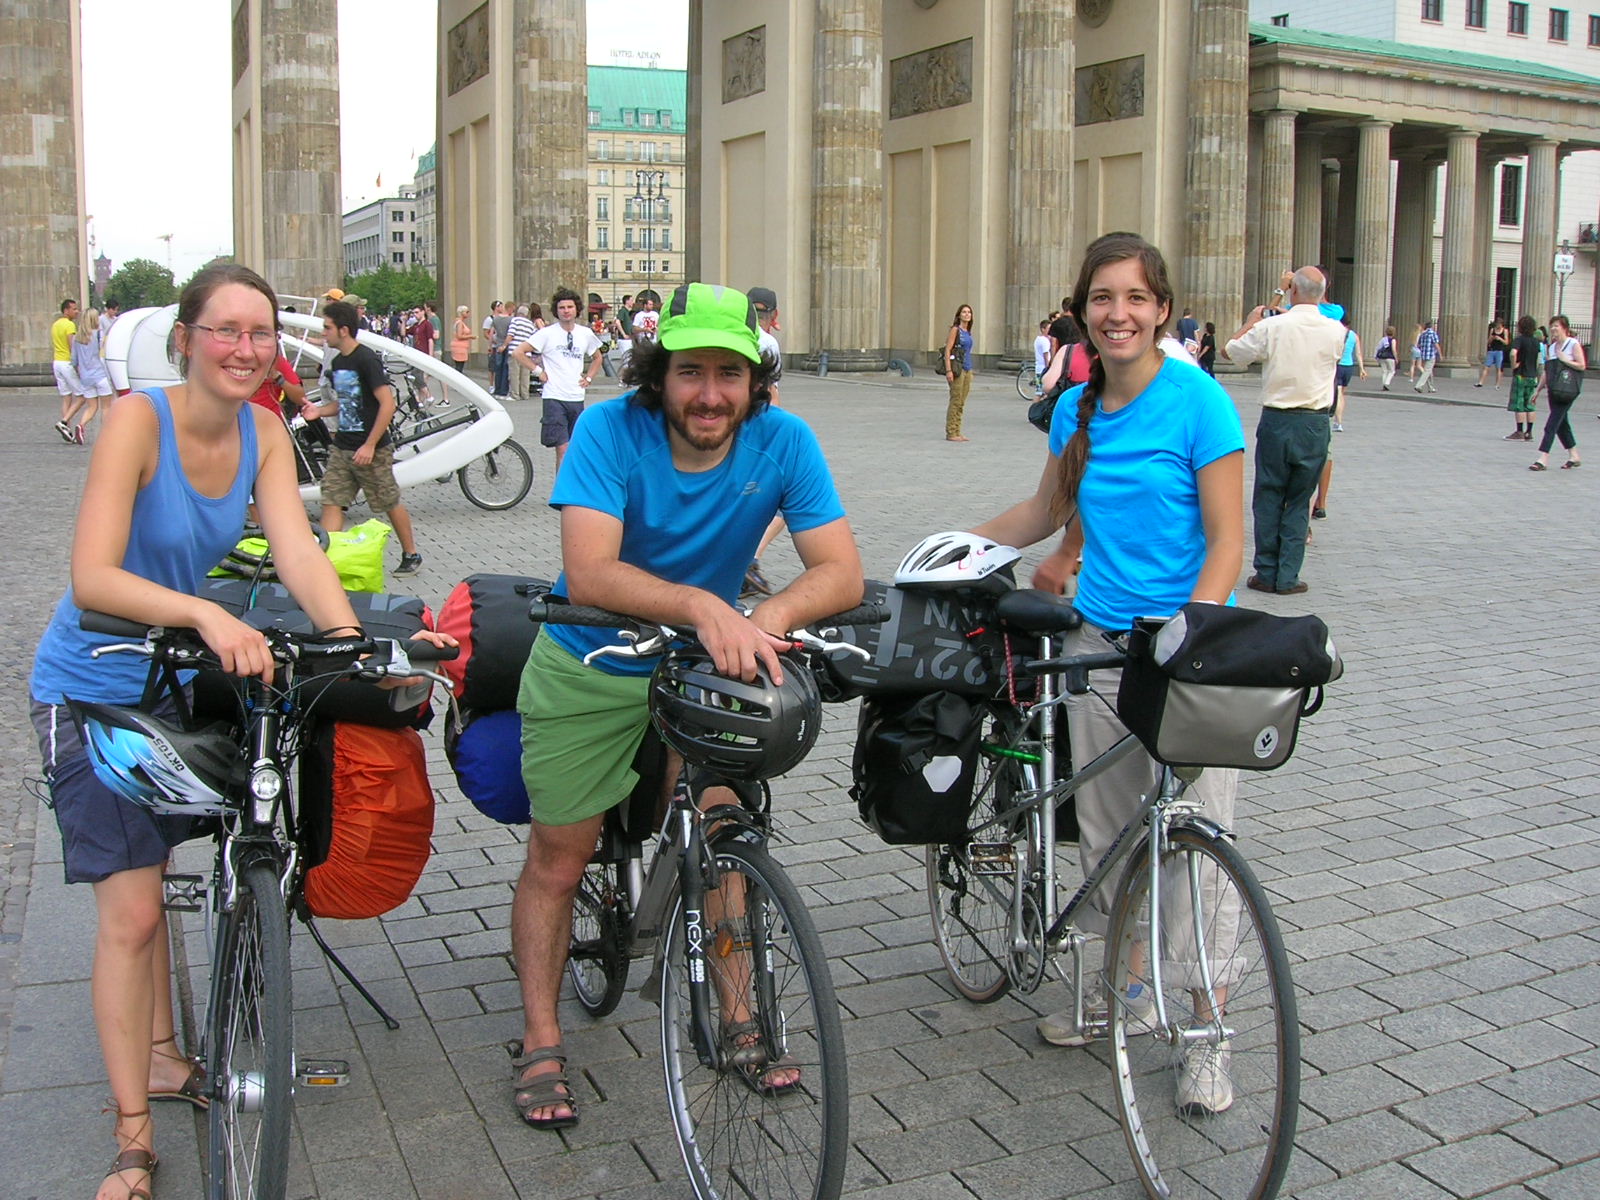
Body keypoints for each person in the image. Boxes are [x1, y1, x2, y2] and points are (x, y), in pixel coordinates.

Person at [27, 264, 452, 1200]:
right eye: (225, 330)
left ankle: (167, 1051)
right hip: (96, 679)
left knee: (188, 857)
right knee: (132, 912)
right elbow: (93, 575)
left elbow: (296, 546)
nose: (245, 348)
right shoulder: (137, 421)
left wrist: (347, 640)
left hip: (182, 676)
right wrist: (210, 616)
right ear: (185, 338)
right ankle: (133, 1139)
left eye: (261, 333)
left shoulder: (263, 429)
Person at [508, 281, 863, 1130]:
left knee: (722, 831)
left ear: (755, 381)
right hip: (590, 656)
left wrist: (765, 616)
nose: (711, 393)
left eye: (730, 375)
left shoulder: (784, 440)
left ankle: (739, 1018)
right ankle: (541, 1036)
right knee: (561, 858)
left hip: (705, 664)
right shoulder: (607, 428)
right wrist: (707, 606)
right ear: (659, 373)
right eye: (692, 371)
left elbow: (840, 572)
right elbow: (591, 572)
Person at [962, 233, 1244, 1113]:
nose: (1117, 313)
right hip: (1100, 647)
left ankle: (1204, 1034)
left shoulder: (1200, 404)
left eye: (1134, 298)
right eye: (1102, 299)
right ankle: (1119, 992)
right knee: (1116, 837)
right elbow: (1047, 511)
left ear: (1162, 308)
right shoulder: (1080, 404)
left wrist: (1188, 631)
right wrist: (957, 550)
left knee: (1198, 847)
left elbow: (1229, 539)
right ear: (1082, 310)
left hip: (1188, 653)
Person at [1222, 265, 1345, 595]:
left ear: (1292, 290)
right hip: (1315, 423)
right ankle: (1288, 575)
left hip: (1278, 420)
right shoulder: (1336, 331)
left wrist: (1255, 317)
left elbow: (1231, 352)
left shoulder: (1274, 326)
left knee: (1269, 496)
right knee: (1299, 498)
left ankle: (1265, 570)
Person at [304, 300, 424, 575]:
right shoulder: (337, 362)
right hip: (343, 447)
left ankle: (411, 554)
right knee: (332, 500)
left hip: (372, 449)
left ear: (343, 330)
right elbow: (346, 403)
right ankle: (323, 563)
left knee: (388, 502)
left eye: (327, 327)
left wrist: (370, 444)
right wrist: (318, 411)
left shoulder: (365, 359)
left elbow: (386, 403)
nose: (324, 333)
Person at [511, 287, 603, 474]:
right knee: (562, 448)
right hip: (554, 396)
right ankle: (561, 493)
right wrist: (538, 371)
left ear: (577, 309)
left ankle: (570, 489)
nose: (566, 311)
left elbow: (598, 357)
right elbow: (518, 352)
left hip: (576, 396)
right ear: (556, 310)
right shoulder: (547, 333)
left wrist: (589, 377)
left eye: (570, 307)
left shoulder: (585, 333)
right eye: (562, 307)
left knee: (574, 448)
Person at [744, 286, 786, 595]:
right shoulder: (767, 341)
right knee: (782, 502)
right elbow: (771, 393)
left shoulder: (733, 336)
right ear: (774, 315)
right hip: (757, 430)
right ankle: (748, 561)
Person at [1529, 314, 1586, 471]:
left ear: (1565, 328)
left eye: (1557, 325)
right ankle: (1574, 455)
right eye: (1552, 325)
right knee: (1562, 423)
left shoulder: (1572, 344)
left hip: (1567, 390)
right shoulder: (1551, 347)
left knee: (1552, 424)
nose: (1553, 328)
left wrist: (1564, 359)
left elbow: (1581, 365)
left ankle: (1543, 458)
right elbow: (1547, 372)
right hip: (1554, 390)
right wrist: (1538, 389)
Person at [70, 308, 115, 443]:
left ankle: (81, 425)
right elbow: (104, 352)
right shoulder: (98, 334)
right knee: (106, 406)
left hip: (85, 377)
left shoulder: (77, 338)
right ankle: (106, 433)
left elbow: (74, 361)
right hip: (100, 374)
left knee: (91, 407)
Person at [52, 297, 91, 444]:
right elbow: (72, 347)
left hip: (57, 362)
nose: (77, 311)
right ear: (66, 310)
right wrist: (79, 365)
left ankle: (66, 429)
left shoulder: (55, 325)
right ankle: (64, 421)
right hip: (67, 363)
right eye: (74, 309)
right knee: (81, 396)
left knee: (66, 396)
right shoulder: (70, 326)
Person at [1506, 315, 1542, 441]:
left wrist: (1513, 365)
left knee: (1519, 404)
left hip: (1521, 374)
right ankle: (1529, 432)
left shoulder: (1519, 340)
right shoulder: (1536, 341)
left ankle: (1519, 431)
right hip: (1532, 375)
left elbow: (1512, 353)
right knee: (1530, 404)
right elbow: (1538, 359)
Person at [943, 303, 975, 442]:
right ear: (959, 315)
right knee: (955, 400)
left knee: (961, 401)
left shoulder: (968, 332)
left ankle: (957, 430)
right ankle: (951, 431)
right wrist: (949, 370)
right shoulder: (955, 330)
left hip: (968, 368)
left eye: (969, 312)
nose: (967, 314)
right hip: (957, 369)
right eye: (964, 312)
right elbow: (948, 350)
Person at [1332, 315, 1365, 432]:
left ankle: (1338, 422)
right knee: (1342, 394)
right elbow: (1358, 353)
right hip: (1349, 367)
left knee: (1338, 394)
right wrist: (1361, 368)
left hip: (1338, 366)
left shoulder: (1336, 334)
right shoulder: (1354, 336)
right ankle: (1338, 421)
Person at [505, 304, 538, 399]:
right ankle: (525, 394)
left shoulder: (515, 320)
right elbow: (534, 337)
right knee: (525, 375)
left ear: (518, 312)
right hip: (526, 352)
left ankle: (515, 394)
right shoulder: (530, 324)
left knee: (514, 374)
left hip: (515, 351)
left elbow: (511, 335)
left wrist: (504, 345)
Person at [488, 301, 513, 399]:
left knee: (498, 368)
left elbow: (491, 333)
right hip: (507, 345)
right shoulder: (511, 319)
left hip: (498, 344)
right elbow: (511, 334)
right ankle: (503, 390)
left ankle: (497, 389)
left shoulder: (495, 319)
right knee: (505, 367)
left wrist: (490, 346)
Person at [1477, 317, 1510, 388]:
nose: (1497, 326)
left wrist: (1500, 339)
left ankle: (1497, 384)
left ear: (1501, 324)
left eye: (1499, 324)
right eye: (1497, 324)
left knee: (1498, 368)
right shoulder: (1492, 330)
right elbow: (1488, 342)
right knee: (1486, 366)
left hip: (1499, 351)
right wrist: (1491, 338)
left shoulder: (1504, 331)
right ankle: (1480, 382)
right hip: (1492, 350)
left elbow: (1506, 342)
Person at [1413, 320, 1441, 393]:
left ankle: (1431, 387)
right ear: (1432, 326)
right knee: (1427, 371)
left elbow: (1419, 344)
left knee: (1429, 372)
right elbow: (1436, 345)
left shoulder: (1423, 334)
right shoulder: (1432, 333)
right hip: (1431, 355)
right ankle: (1419, 385)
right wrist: (1440, 354)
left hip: (1423, 355)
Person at [1374, 325, 1400, 391]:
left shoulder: (1383, 339)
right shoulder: (1393, 340)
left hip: (1382, 357)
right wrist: (1396, 358)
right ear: (1394, 332)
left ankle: (1384, 385)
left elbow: (1378, 348)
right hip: (1390, 357)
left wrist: (1376, 357)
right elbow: (1393, 349)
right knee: (1392, 371)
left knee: (1384, 371)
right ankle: (1386, 383)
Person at [450, 305, 473, 373]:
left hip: (461, 346)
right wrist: (471, 336)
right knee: (459, 366)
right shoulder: (459, 323)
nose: (468, 313)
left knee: (459, 366)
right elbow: (459, 336)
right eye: (467, 312)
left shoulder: (459, 322)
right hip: (459, 347)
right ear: (462, 313)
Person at [1032, 319, 1052, 395]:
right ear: (1043, 329)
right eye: (1048, 329)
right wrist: (1048, 367)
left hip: (1039, 368)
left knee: (1039, 392)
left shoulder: (1038, 339)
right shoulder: (1044, 341)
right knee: (1043, 393)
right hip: (1043, 368)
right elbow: (1045, 354)